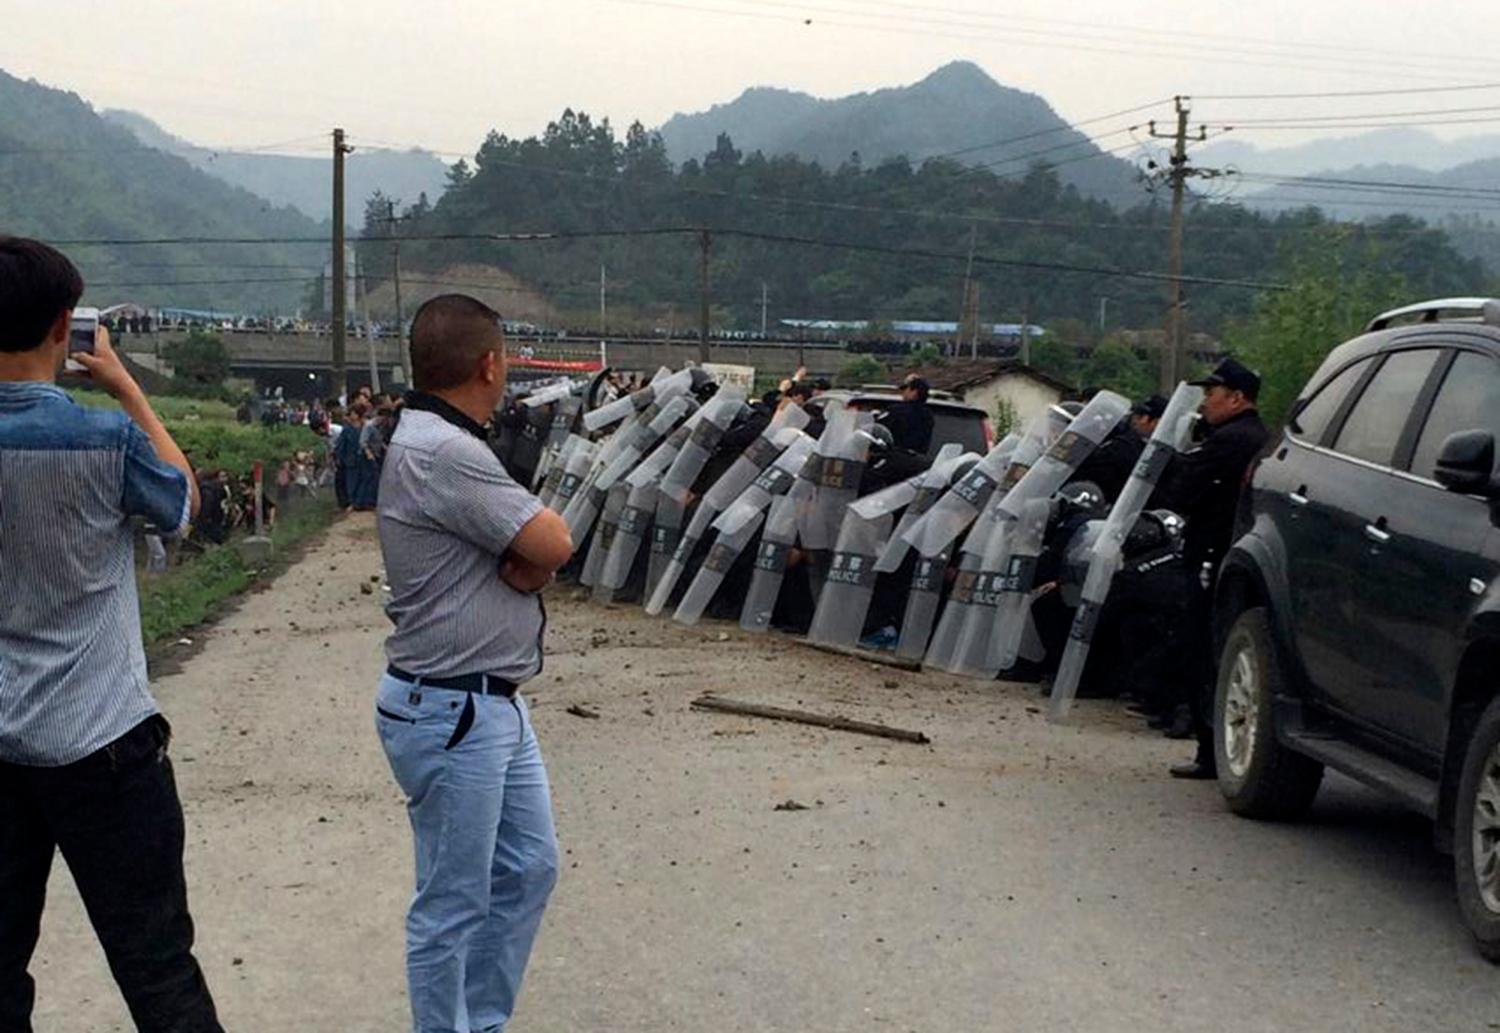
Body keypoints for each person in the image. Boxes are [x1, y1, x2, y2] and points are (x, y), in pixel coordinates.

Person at [0, 237, 221, 1031]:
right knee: (157, 969)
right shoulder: (104, 439)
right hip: (105, 743)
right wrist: (128, 389)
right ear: (66, 325)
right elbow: (182, 505)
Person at [374, 294, 573, 1033]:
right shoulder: (445, 451)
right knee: (452, 901)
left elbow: (534, 554)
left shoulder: (441, 439)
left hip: (489, 702)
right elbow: (554, 542)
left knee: (528, 867)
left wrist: (531, 558)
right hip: (453, 706)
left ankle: (481, 1021)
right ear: (490, 364)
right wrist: (535, 555)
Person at [1153, 358, 1270, 779]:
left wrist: (1180, 459)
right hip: (1237, 557)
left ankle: (1208, 749)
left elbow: (1182, 492)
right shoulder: (1261, 437)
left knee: (1204, 648)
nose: (1205, 402)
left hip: (1210, 553)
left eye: (1211, 394)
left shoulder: (1226, 442)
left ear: (1236, 398)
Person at [878, 374, 935, 454]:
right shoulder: (928, 415)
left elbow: (879, 431)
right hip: (919, 459)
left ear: (914, 392)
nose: (903, 393)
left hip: (892, 457)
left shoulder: (896, 411)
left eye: (906, 389)